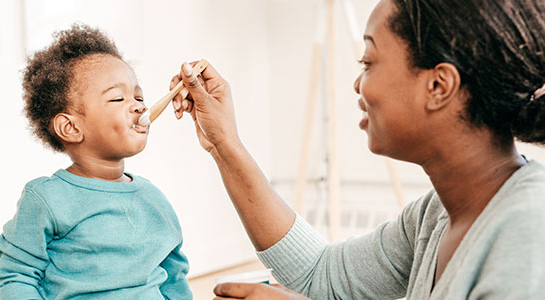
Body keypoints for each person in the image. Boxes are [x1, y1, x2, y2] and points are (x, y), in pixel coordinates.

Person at [170, 0, 545, 299]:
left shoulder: (529, 229)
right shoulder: (435, 216)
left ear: (438, 85)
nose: (357, 84)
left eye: (368, 62)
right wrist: (224, 143)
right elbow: (321, 274)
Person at [0, 24, 191, 300]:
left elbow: (174, 277)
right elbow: (16, 276)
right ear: (71, 128)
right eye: (118, 98)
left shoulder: (154, 199)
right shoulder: (47, 199)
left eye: (139, 97)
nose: (139, 106)